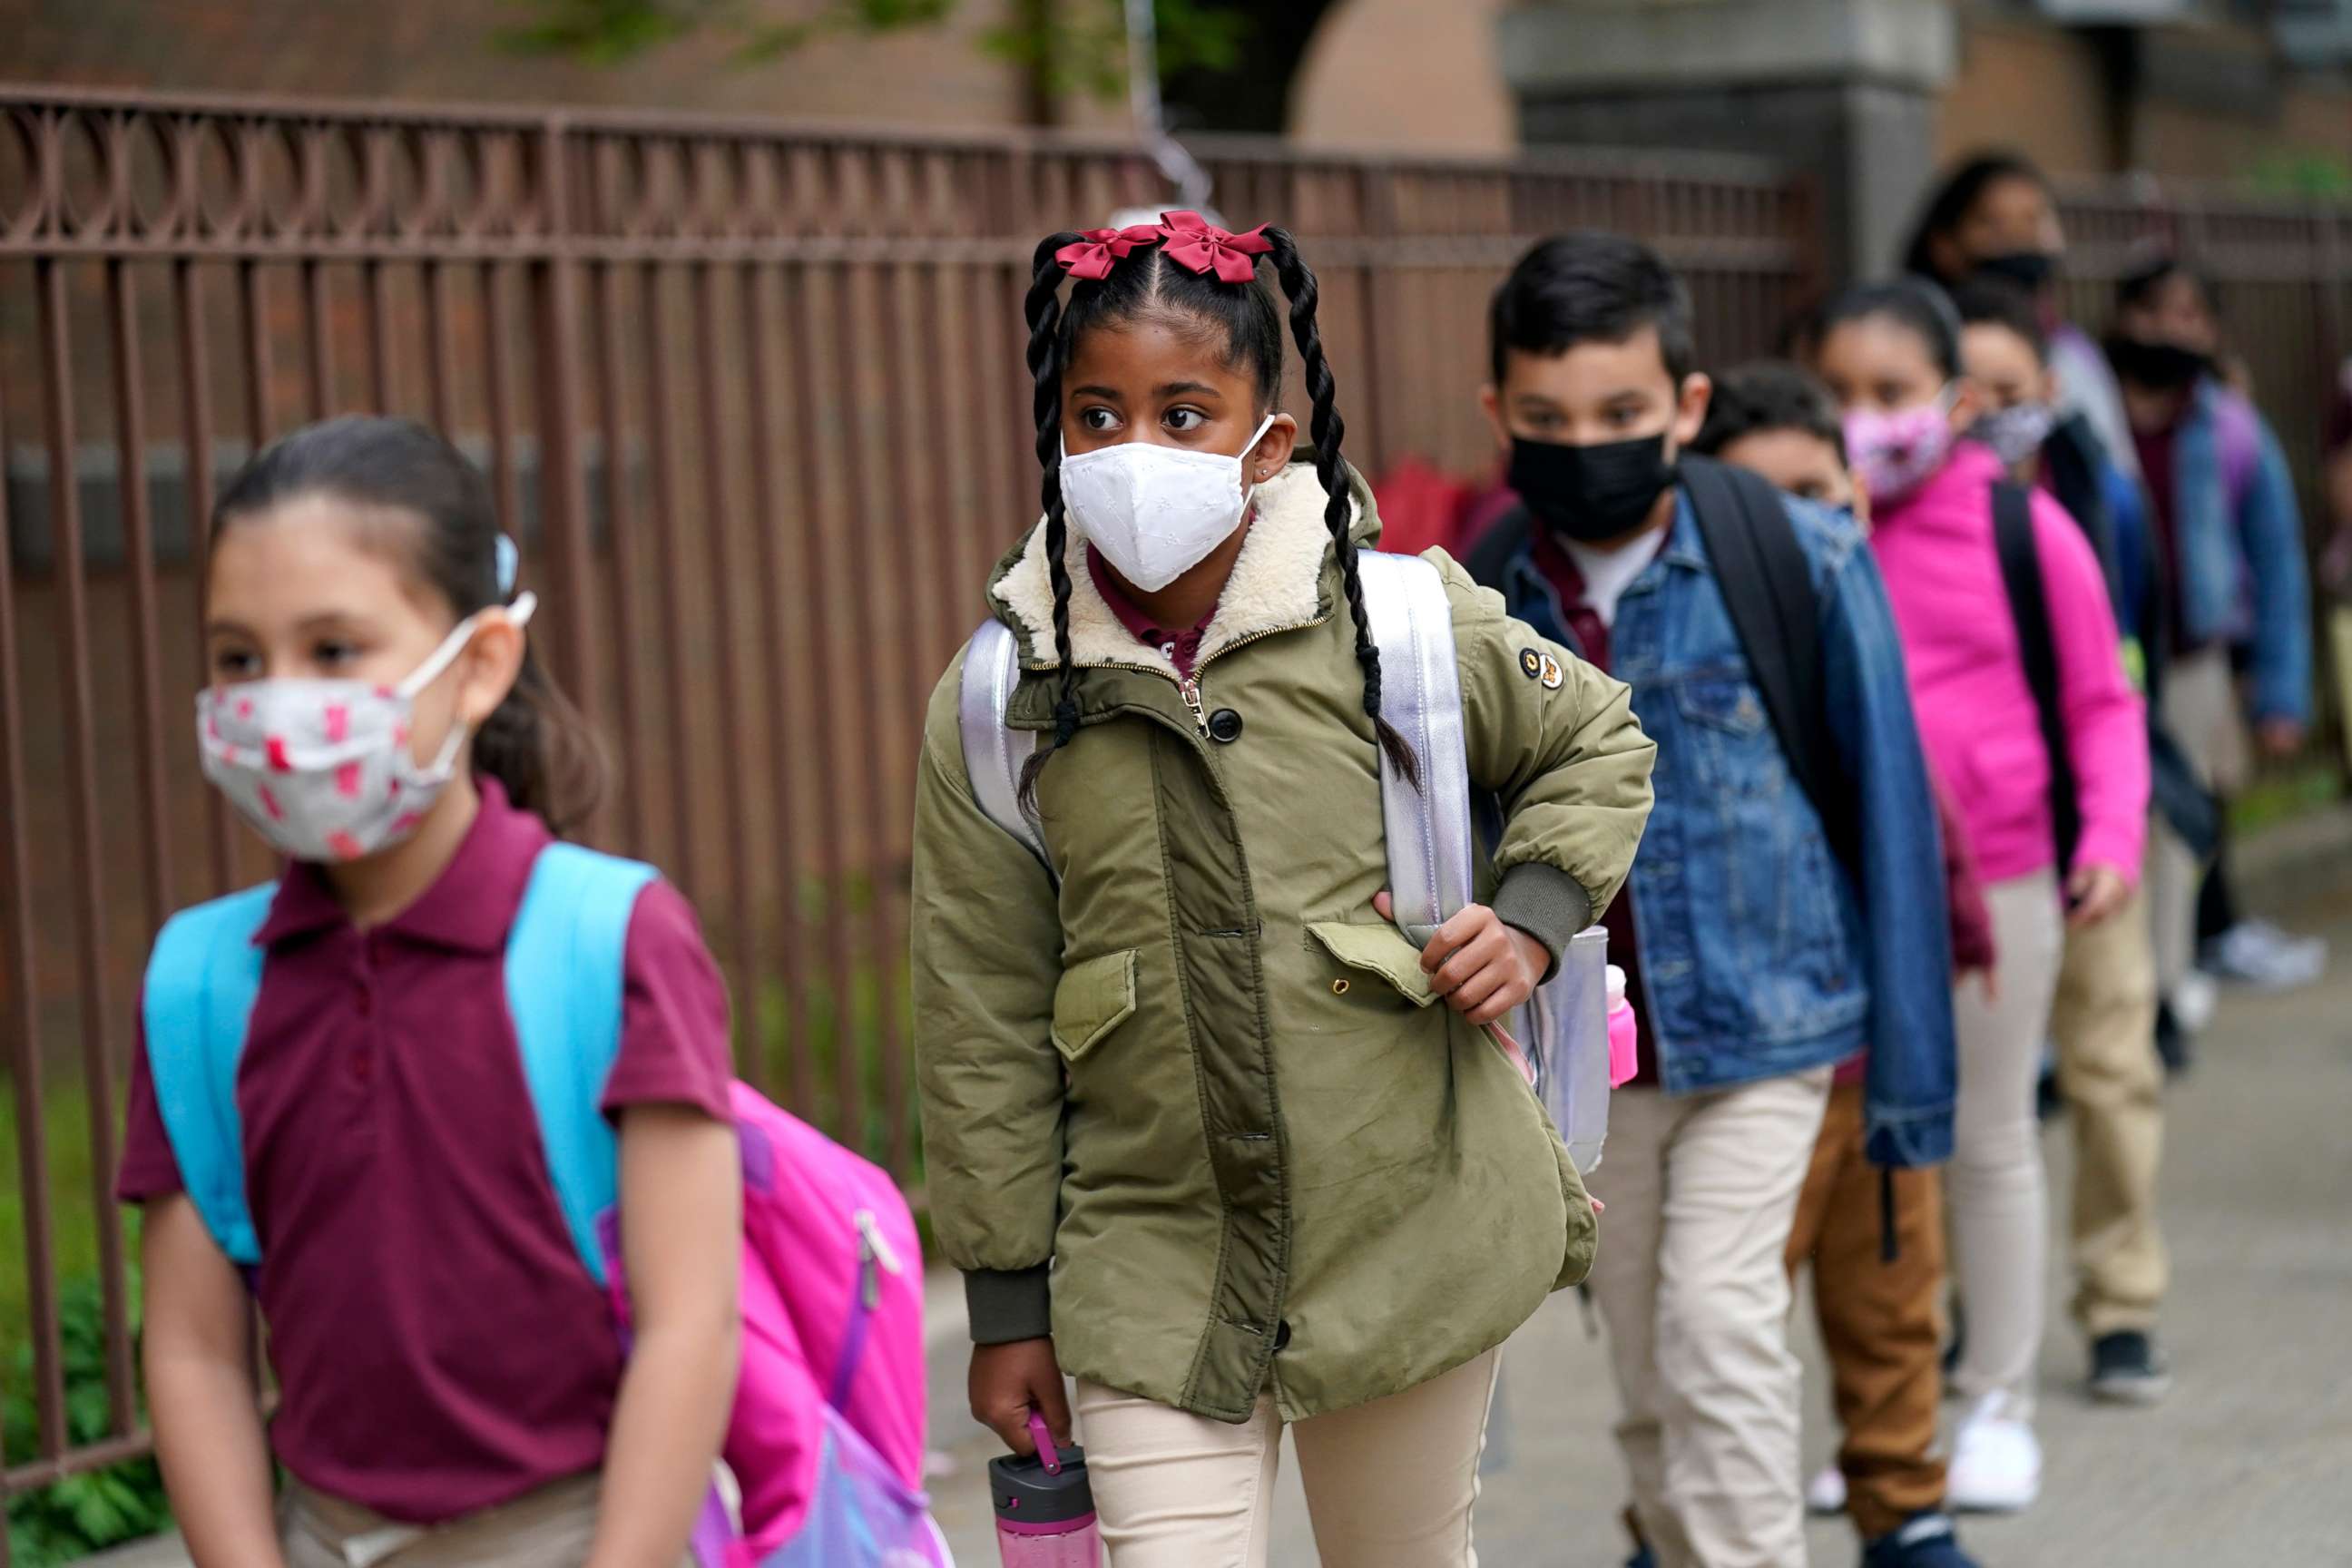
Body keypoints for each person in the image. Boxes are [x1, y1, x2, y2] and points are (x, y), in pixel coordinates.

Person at [910, 212, 1656, 1568]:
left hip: (1408, 1220)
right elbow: (978, 1015)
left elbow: (1595, 742)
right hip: (1149, 1266)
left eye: (1185, 412)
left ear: (1271, 434)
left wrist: (1535, 920)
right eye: (1100, 413)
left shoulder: (1405, 622)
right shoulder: (1000, 698)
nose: (1141, 449)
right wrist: (1008, 1301)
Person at [119, 416, 743, 1567]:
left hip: (587, 1532)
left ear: (479, 665)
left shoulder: (611, 940)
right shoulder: (201, 987)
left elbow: (691, 1325)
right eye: (239, 658)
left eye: (334, 649)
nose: (278, 701)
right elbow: (195, 1352)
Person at [1465, 234, 1955, 1568]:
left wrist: (1913, 1087)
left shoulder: (1799, 559)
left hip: (1774, 1029)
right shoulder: (1476, 596)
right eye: (1550, 419)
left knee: (1717, 1331)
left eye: (1622, 415)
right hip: (1590, 1057)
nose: (1589, 446)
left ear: (1686, 406)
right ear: (1498, 414)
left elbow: (1890, 819)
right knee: (1644, 1372)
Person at [1816, 281, 2149, 1512]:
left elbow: (2105, 699)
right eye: (1840, 395)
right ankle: (1884, 1421)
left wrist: (2110, 836)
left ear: (1956, 405)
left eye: (1892, 396)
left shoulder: (2026, 530)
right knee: (1862, 1169)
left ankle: (1994, 1400)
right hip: (1844, 878)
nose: (1866, 421)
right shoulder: (1807, 528)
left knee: (1988, 1136)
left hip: (2000, 879)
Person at [1690, 361, 1987, 1568]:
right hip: (1754, 1059)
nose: (1807, 527)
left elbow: (1917, 820)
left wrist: (1960, 932)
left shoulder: (1865, 614)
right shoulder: (1712, 657)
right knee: (1717, 1321)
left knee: (1892, 1301)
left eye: (1824, 494)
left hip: (1872, 1051)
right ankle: (1679, 1516)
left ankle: (1904, 1500)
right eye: (1770, 505)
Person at [1954, 279, 2176, 1401]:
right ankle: (1976, 1312)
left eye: (2007, 390)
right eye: (1965, 390)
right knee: (1973, 1104)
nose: (1986, 411)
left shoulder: (2091, 499)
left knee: (2108, 1071)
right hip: (1975, 862)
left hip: (2086, 840)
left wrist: (2113, 830)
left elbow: (2117, 686)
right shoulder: (1901, 512)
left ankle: (2121, 1301)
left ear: (2045, 393)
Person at [2108, 257, 2318, 1014]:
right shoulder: (2090, 420)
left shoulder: (2231, 429)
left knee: (2174, 832)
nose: (2170, 329)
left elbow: (2277, 560)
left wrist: (2281, 692)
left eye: (2190, 314)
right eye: (2154, 310)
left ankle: (2161, 994)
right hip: (2101, 662)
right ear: (2121, 317)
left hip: (2190, 664)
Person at [1903, 150, 2139, 485]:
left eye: (2034, 220)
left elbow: (2115, 475)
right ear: (1944, 244)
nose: (2018, 238)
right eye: (1992, 223)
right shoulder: (1912, 346)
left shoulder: (2073, 354)